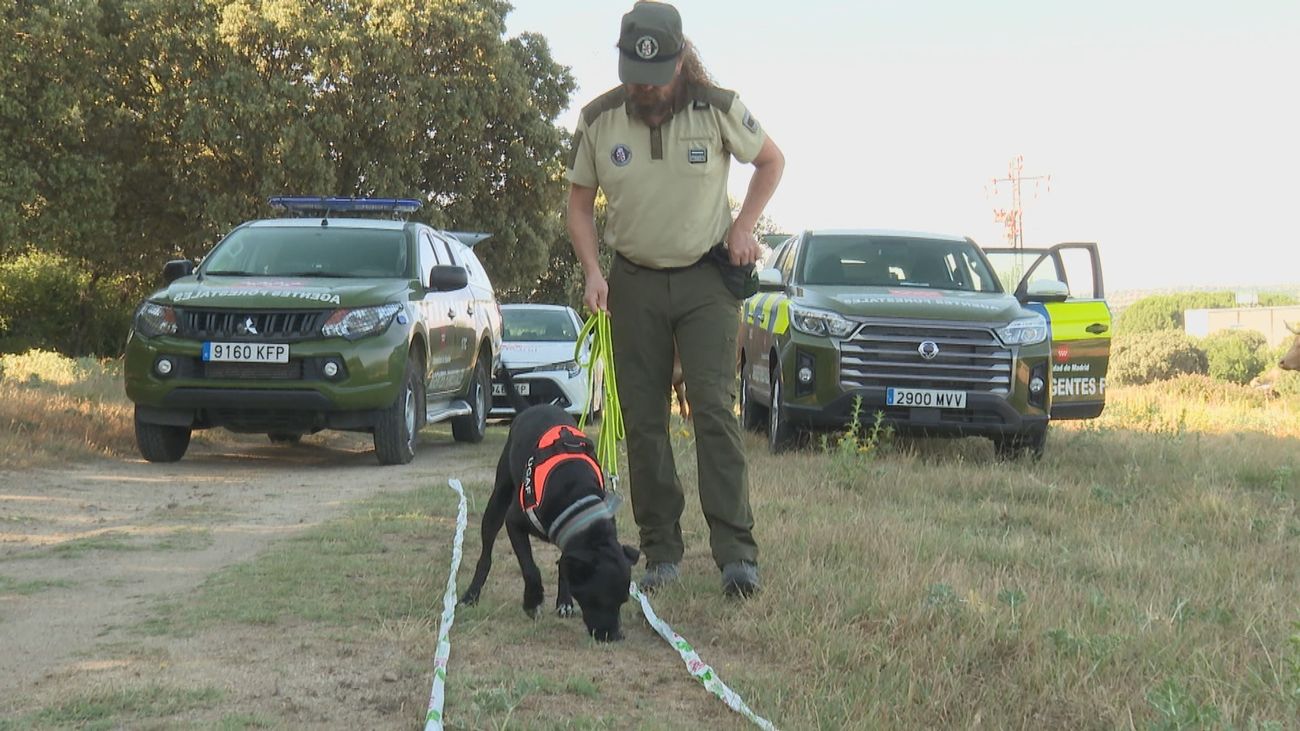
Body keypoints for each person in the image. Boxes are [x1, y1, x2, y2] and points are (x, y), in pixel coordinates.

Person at [565, 0, 785, 597]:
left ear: (681, 60)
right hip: (632, 283)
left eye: (656, 75)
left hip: (706, 281)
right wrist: (593, 272)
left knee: (713, 409)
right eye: (634, 76)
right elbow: (579, 205)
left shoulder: (718, 109)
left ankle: (736, 554)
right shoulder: (599, 119)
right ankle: (661, 551)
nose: (645, 87)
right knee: (643, 420)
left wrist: (744, 226)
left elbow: (771, 161)